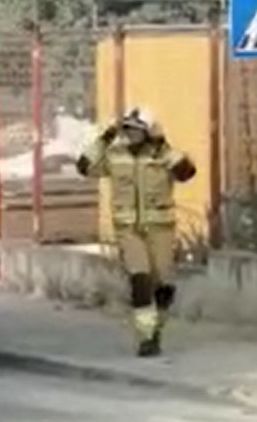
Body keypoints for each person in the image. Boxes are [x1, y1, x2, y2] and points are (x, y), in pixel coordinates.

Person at [76, 107, 195, 357]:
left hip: (160, 228)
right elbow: (84, 166)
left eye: (137, 129)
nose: (131, 134)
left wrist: (163, 146)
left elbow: (187, 172)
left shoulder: (163, 155)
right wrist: (106, 136)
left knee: (164, 284)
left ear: (148, 132)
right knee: (140, 280)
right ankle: (145, 337)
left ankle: (156, 329)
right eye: (128, 128)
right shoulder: (115, 155)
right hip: (128, 229)